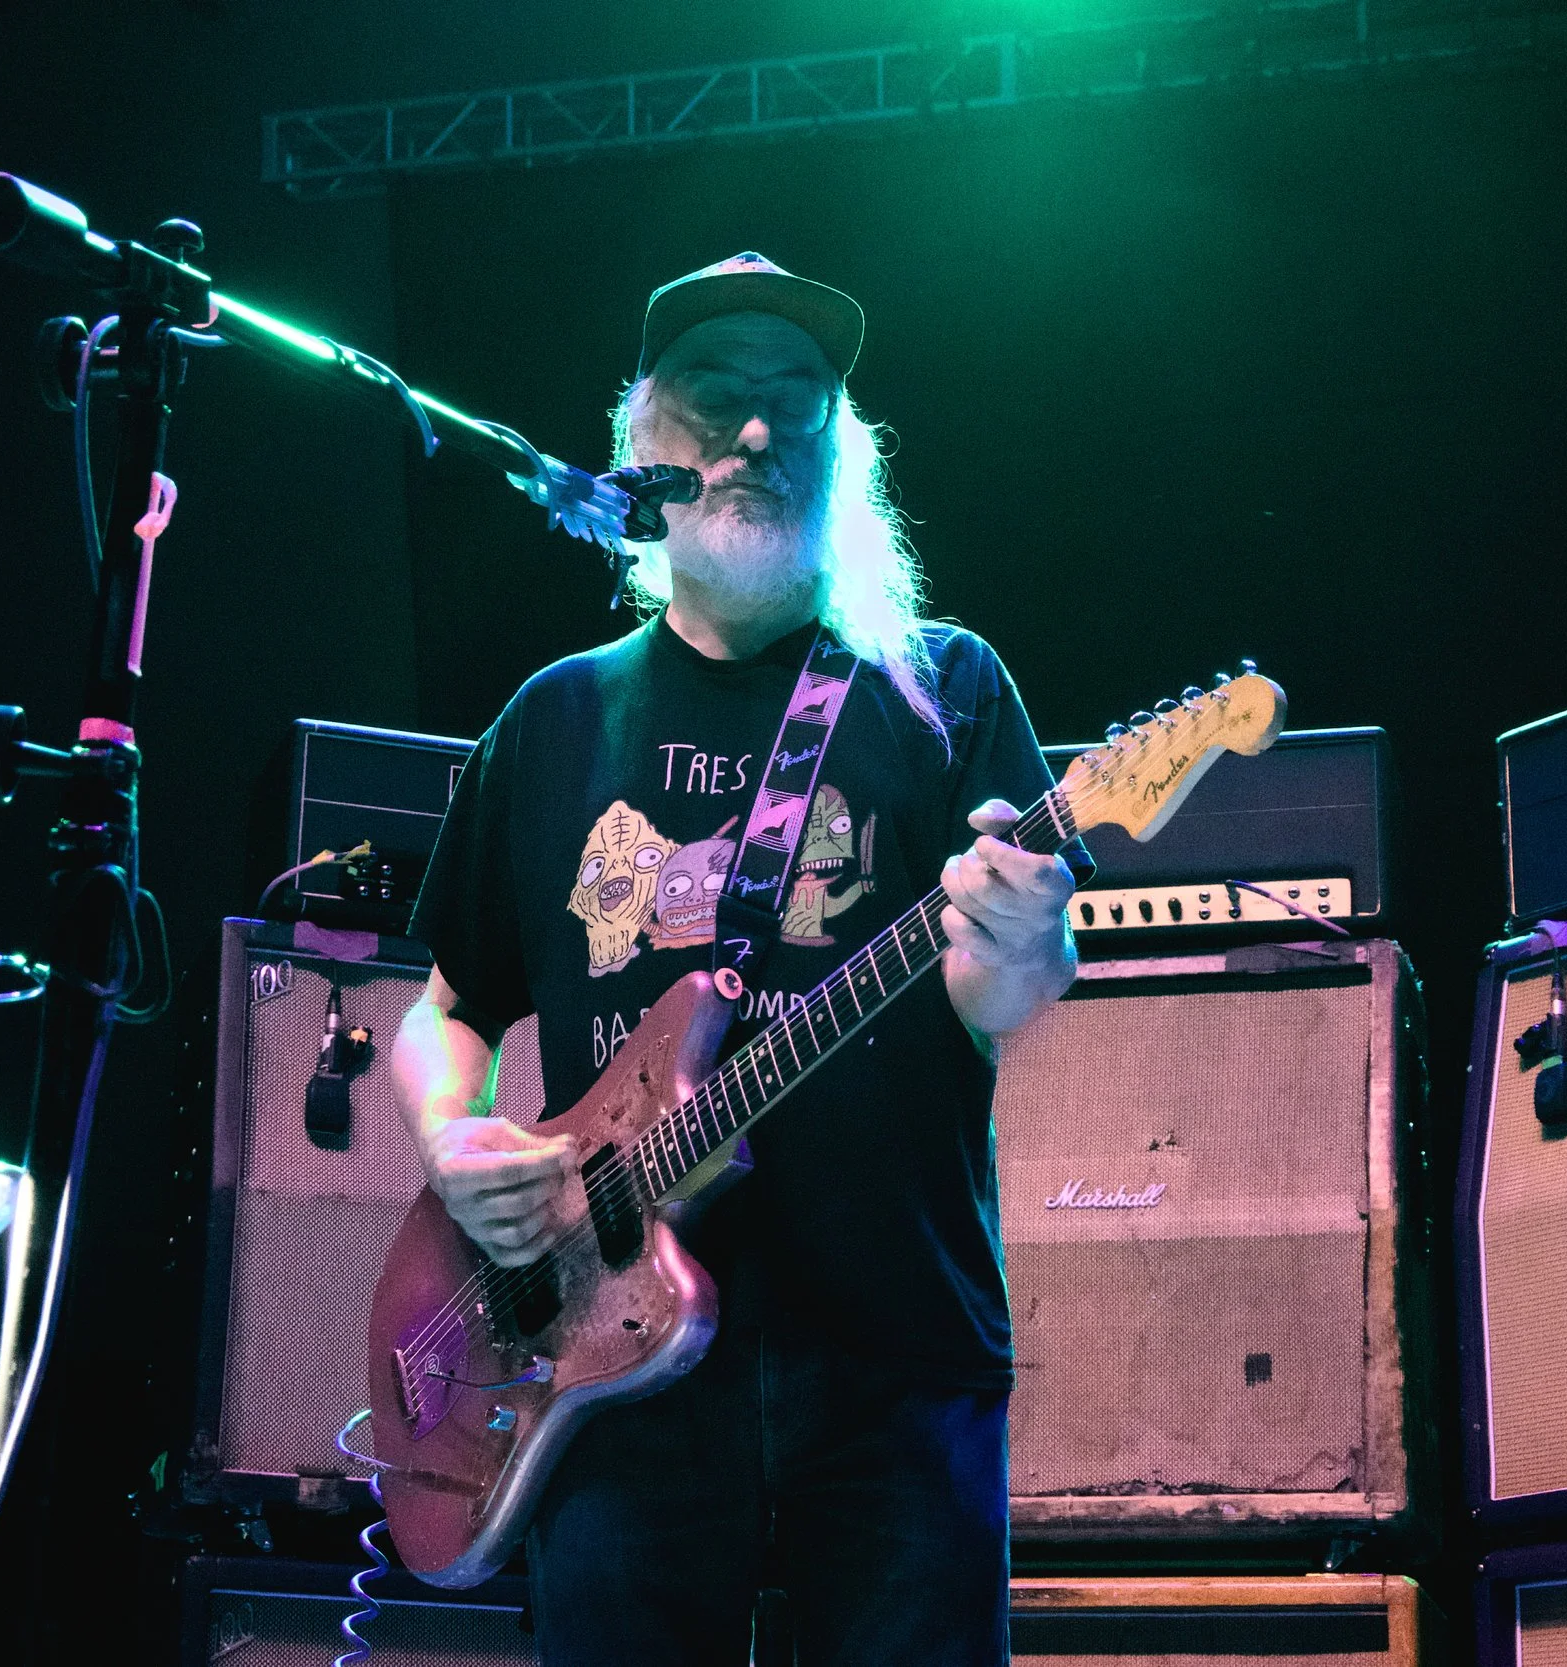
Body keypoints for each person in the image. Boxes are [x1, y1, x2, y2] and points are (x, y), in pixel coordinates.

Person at [392, 252, 1082, 1665]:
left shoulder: (941, 687)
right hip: (604, 1363)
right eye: (715, 398)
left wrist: (1029, 938)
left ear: (847, 448)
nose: (757, 432)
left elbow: (987, 999)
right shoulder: (553, 719)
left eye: (798, 399)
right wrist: (459, 1137)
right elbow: (445, 1011)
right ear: (643, 443)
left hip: (894, 1354)